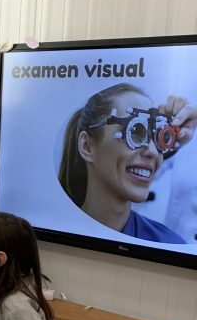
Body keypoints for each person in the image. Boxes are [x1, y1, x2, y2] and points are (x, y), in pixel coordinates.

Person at [57, 84, 196, 242]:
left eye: (158, 136)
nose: (152, 151)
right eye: (136, 131)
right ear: (87, 146)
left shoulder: (169, 244)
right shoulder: (51, 231)